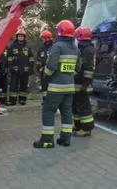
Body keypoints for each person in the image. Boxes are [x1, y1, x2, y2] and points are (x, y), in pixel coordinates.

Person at [33, 20, 79, 148]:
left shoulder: (57, 47)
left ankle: (47, 140)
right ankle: (65, 139)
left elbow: (51, 66)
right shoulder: (75, 49)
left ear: (59, 32)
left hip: (55, 88)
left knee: (48, 111)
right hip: (69, 88)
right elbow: (77, 68)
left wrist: (46, 77)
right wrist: (67, 77)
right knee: (66, 112)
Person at [73, 26, 96, 137]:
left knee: (83, 105)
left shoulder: (87, 50)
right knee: (76, 104)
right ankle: (78, 125)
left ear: (80, 37)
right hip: (78, 81)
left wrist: (85, 83)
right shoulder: (83, 48)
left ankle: (87, 129)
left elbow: (88, 69)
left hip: (83, 83)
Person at [7, 28, 34, 105]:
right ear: (17, 37)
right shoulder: (13, 46)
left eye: (22, 36)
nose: (21, 37)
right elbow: (9, 57)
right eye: (19, 36)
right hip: (15, 68)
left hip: (25, 69)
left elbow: (31, 57)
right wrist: (11, 66)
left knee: (24, 85)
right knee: (13, 85)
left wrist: (31, 67)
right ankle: (13, 100)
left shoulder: (27, 46)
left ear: (24, 37)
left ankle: (22, 100)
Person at [36, 30, 54, 103]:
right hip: (43, 70)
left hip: (52, 69)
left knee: (52, 85)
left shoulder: (54, 47)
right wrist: (39, 67)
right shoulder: (41, 48)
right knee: (44, 85)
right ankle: (45, 99)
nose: (42, 40)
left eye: (43, 38)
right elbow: (38, 59)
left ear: (47, 38)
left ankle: (52, 99)